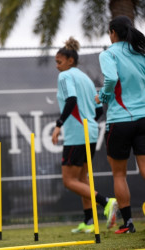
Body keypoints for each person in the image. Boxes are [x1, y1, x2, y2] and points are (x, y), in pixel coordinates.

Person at [52, 37, 118, 234]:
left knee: (68, 180)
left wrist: (58, 125)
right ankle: (89, 221)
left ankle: (106, 202)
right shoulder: (85, 78)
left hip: (76, 134)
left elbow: (71, 100)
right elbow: (98, 111)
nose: (57, 66)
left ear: (70, 60)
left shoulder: (65, 77)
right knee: (82, 179)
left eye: (59, 62)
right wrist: (86, 121)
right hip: (89, 132)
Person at [95, 15, 145, 234]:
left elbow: (111, 79)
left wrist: (103, 97)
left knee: (119, 174)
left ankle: (128, 223)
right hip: (144, 118)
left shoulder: (108, 54)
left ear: (112, 33)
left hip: (120, 121)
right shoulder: (141, 53)